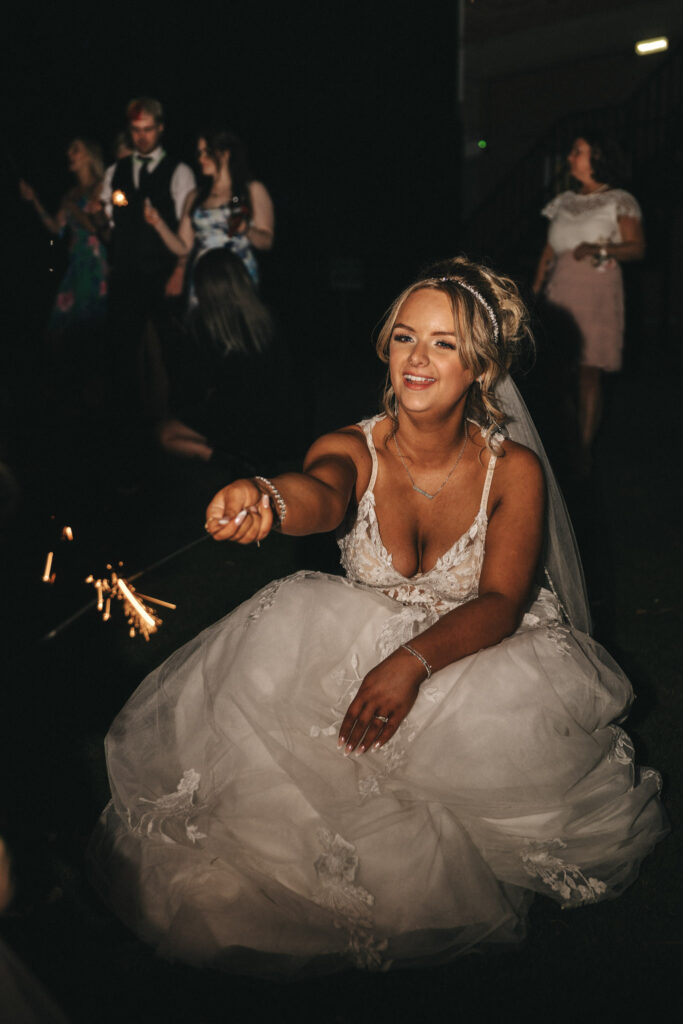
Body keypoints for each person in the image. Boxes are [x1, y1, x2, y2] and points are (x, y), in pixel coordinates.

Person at [89, 256, 666, 976]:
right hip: (353, 635)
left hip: (475, 651)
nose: (417, 358)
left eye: (443, 343)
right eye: (402, 337)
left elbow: (498, 601)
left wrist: (409, 663)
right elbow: (320, 493)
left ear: (479, 370)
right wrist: (266, 498)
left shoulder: (511, 468)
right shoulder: (348, 445)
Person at [532, 134, 645, 468]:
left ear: (597, 156)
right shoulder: (564, 201)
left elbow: (636, 248)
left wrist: (600, 248)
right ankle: (558, 440)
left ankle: (582, 450)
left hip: (596, 291)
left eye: (577, 151)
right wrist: (535, 292)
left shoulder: (619, 200)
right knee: (555, 370)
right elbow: (549, 251)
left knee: (588, 371)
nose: (570, 156)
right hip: (560, 291)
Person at [93, 97, 196, 418]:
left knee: (171, 350)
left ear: (161, 128)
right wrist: (97, 216)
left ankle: (179, 415)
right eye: (136, 130)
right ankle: (129, 420)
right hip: (126, 275)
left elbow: (187, 231)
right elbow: (107, 227)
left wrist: (179, 271)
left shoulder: (179, 172)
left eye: (148, 129)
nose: (141, 137)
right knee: (123, 351)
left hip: (164, 272)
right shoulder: (116, 171)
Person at [157, 247, 285, 473]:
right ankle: (241, 459)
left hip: (237, 424)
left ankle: (226, 460)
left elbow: (189, 391)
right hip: (276, 424)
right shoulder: (270, 318)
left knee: (166, 434)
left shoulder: (203, 327)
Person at [144, 126, 274, 295]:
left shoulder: (250, 190)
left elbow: (266, 241)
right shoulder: (196, 196)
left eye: (207, 152)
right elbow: (183, 247)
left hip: (237, 279)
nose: (201, 159)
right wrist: (159, 224)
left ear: (225, 154)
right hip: (203, 280)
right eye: (199, 153)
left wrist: (246, 229)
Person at [20, 139, 108, 369]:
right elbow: (56, 228)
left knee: (90, 328)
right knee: (60, 328)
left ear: (89, 156)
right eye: (69, 150)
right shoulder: (70, 194)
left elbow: (94, 228)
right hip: (76, 263)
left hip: (97, 263)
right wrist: (34, 201)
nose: (69, 154)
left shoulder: (101, 186)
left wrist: (72, 207)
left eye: (75, 149)